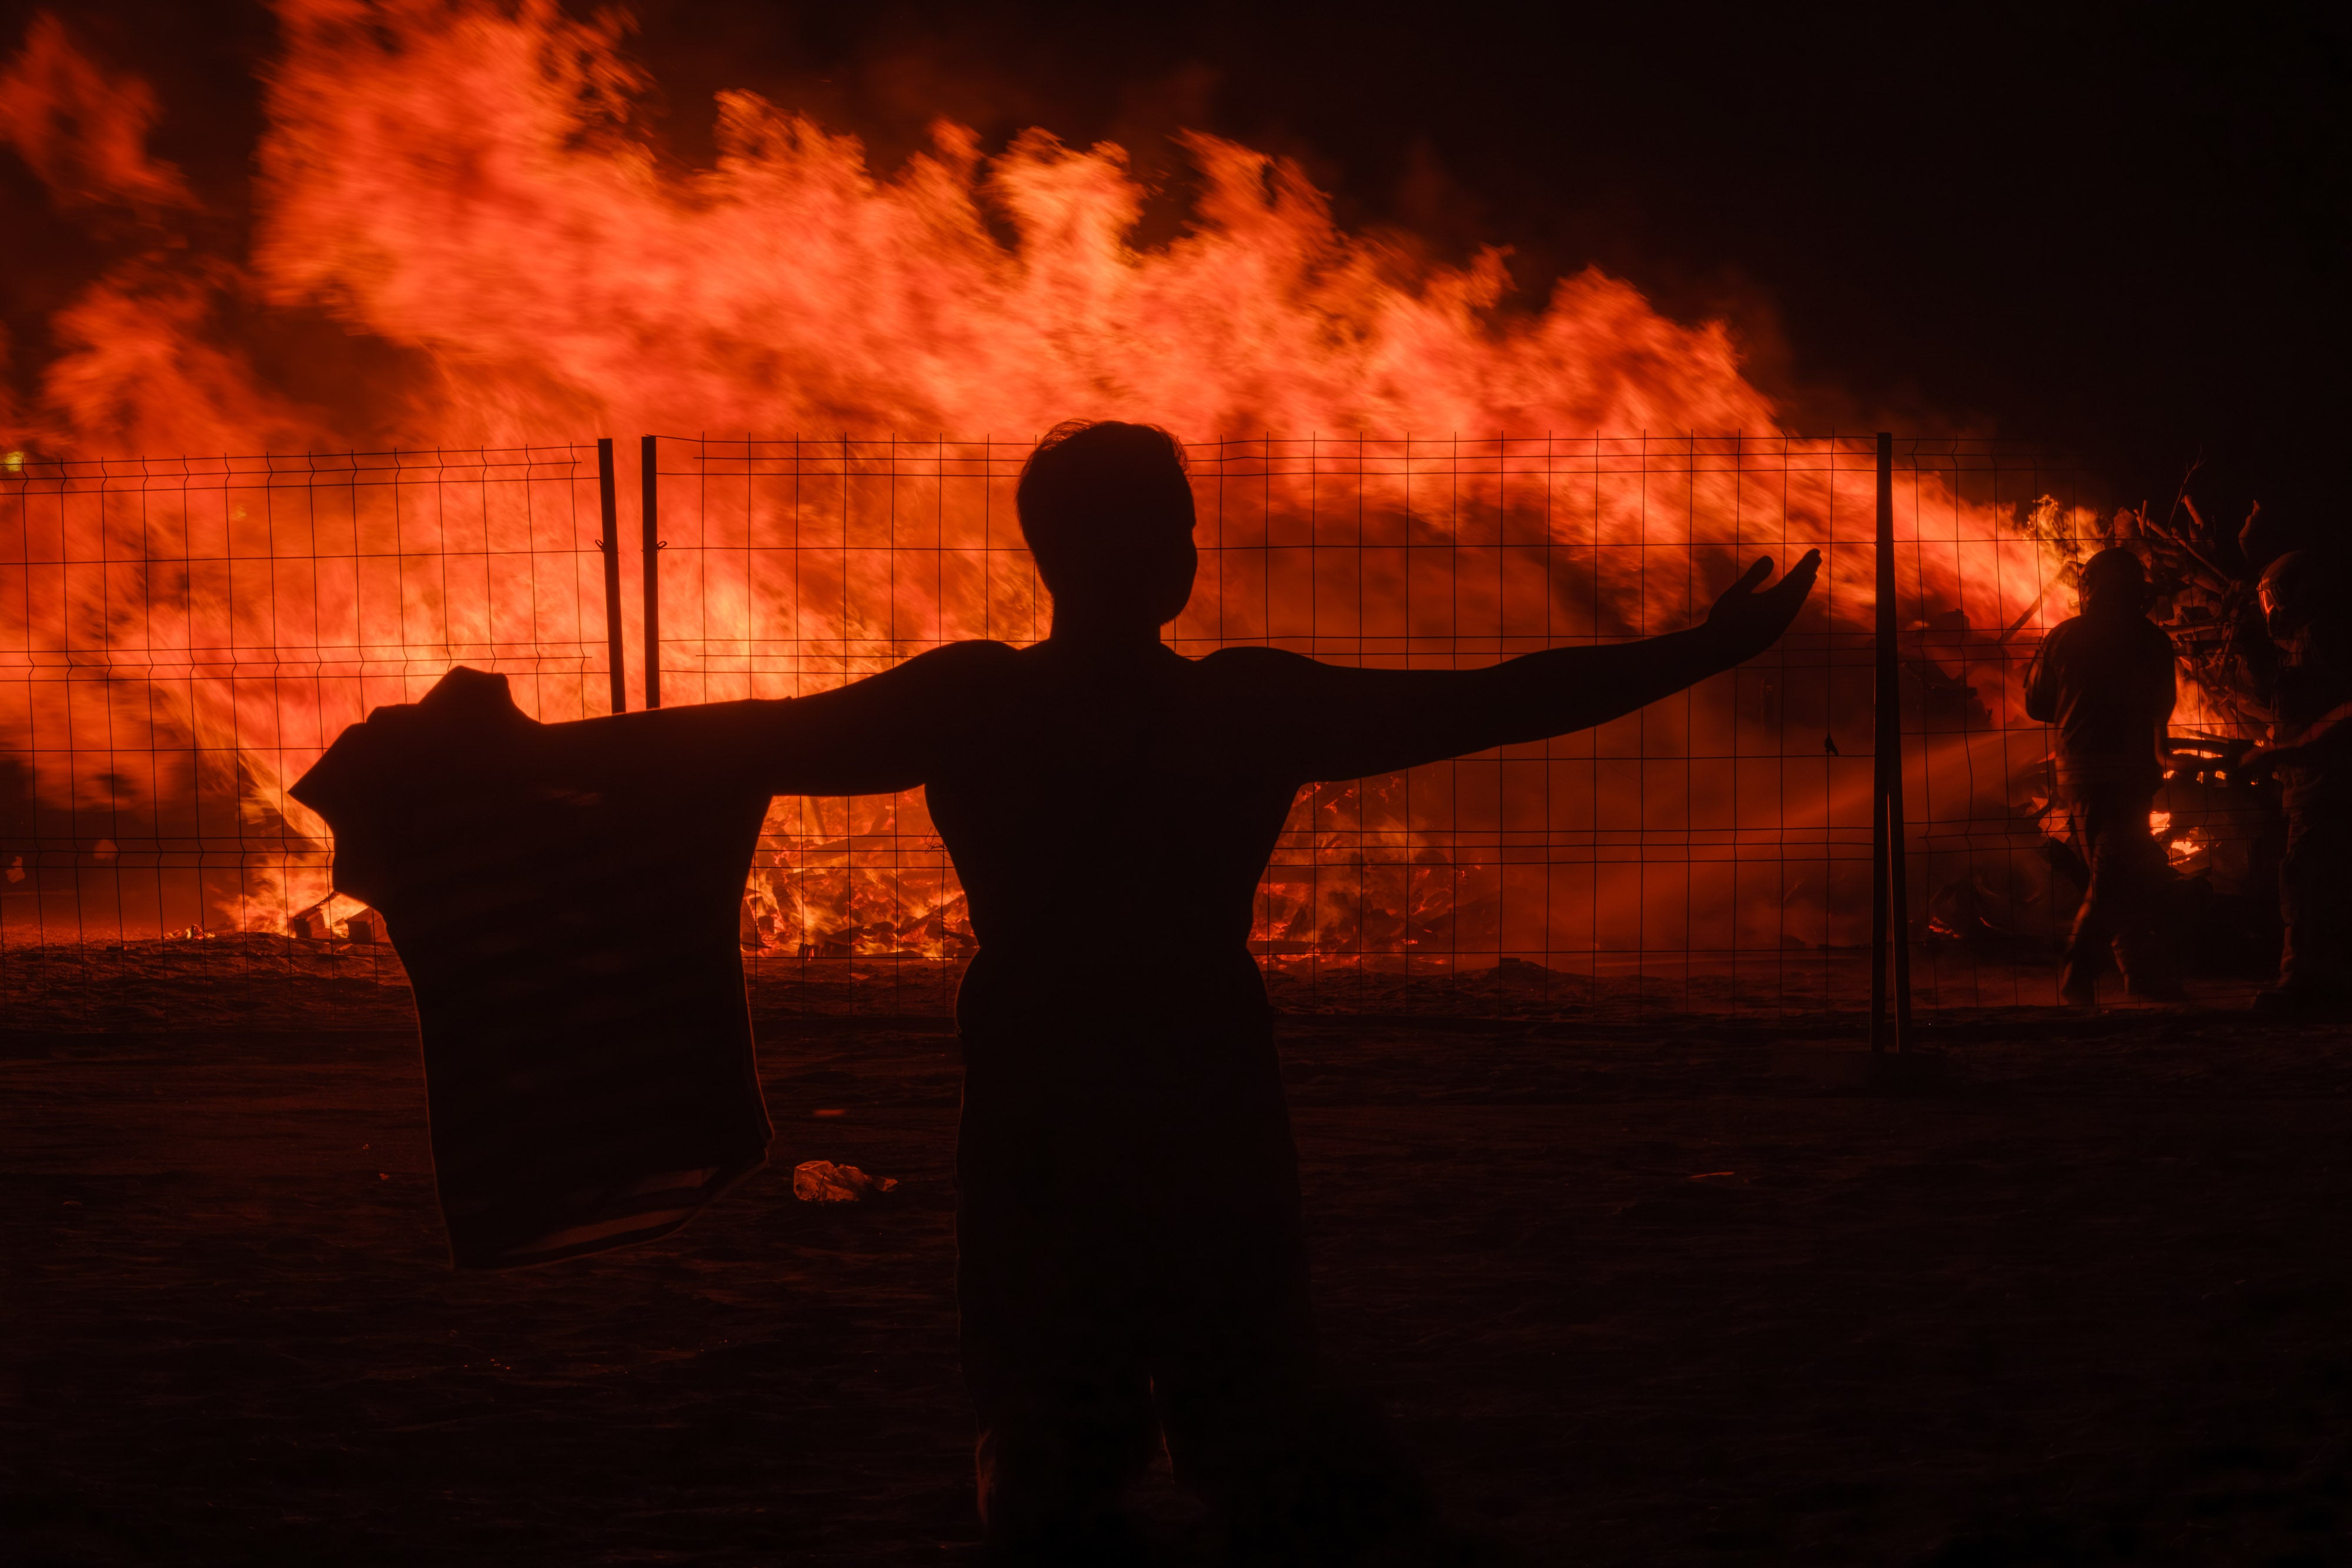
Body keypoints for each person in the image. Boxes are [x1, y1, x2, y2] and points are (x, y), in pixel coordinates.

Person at [2024, 546, 2184, 1005]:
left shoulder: (2063, 637)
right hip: (2134, 771)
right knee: (2116, 870)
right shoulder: (2154, 641)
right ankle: (2113, 972)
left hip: (2082, 771)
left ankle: (2111, 972)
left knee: (2111, 872)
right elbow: (2163, 706)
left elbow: (2038, 704)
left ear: (2090, 588)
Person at [2250, 550, 2352, 1011]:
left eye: (2269, 599)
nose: (2267, 610)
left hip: (2325, 783)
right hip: (2312, 782)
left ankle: (2302, 982)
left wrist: (2288, 749)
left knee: (2306, 879)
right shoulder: (2311, 640)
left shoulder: (2322, 637)